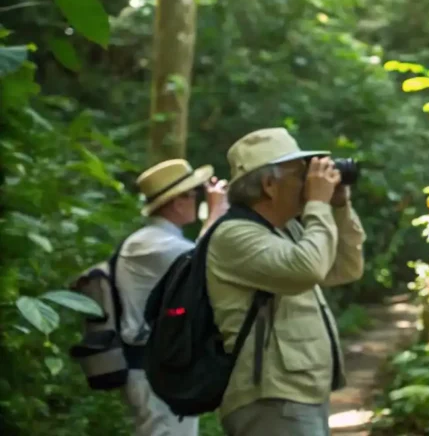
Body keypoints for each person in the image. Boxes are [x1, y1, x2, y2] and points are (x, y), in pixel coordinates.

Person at [206, 127, 366, 436]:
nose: (309, 183)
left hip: (297, 393)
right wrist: (318, 204)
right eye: (300, 174)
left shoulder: (283, 229)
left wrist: (339, 205)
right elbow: (307, 269)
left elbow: (345, 268)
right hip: (270, 398)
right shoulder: (234, 234)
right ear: (269, 185)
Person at [117, 159, 229, 436]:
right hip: (152, 367)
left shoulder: (159, 240)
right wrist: (215, 213)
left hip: (161, 365)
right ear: (177, 203)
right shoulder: (150, 243)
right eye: (193, 195)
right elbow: (202, 264)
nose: (198, 200)